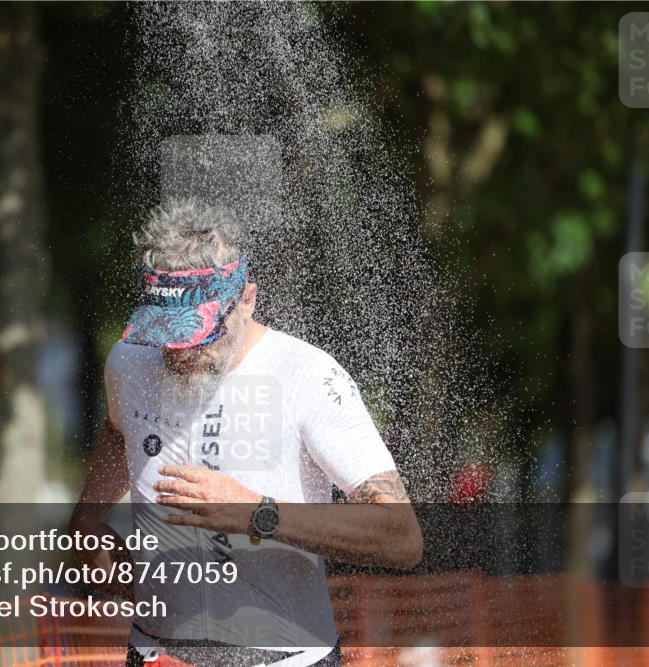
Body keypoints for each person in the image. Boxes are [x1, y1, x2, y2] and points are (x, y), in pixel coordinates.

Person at [68, 198, 423, 667]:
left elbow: (401, 535)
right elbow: (120, 429)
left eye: (200, 334)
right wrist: (88, 520)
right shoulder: (129, 363)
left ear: (248, 300)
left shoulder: (308, 375)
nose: (180, 354)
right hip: (156, 655)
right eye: (168, 336)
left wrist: (256, 513)